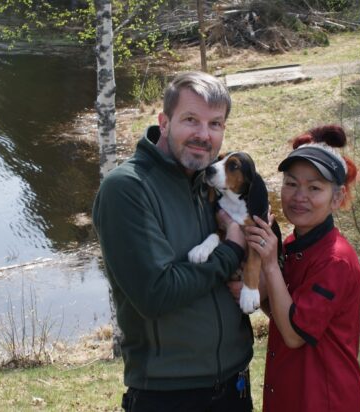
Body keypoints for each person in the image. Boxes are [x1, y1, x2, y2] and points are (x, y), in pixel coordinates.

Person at [92, 71, 254, 412]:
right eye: (191, 120)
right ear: (164, 122)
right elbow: (156, 292)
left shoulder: (208, 184)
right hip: (170, 396)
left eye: (215, 124)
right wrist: (232, 250)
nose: (203, 135)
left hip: (235, 385)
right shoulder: (128, 189)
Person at [245, 125, 360, 411]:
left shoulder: (335, 260)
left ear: (337, 198)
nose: (299, 196)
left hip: (322, 399)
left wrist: (271, 265)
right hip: (289, 393)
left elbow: (294, 335)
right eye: (291, 183)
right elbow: (281, 313)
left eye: (314, 188)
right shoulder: (294, 245)